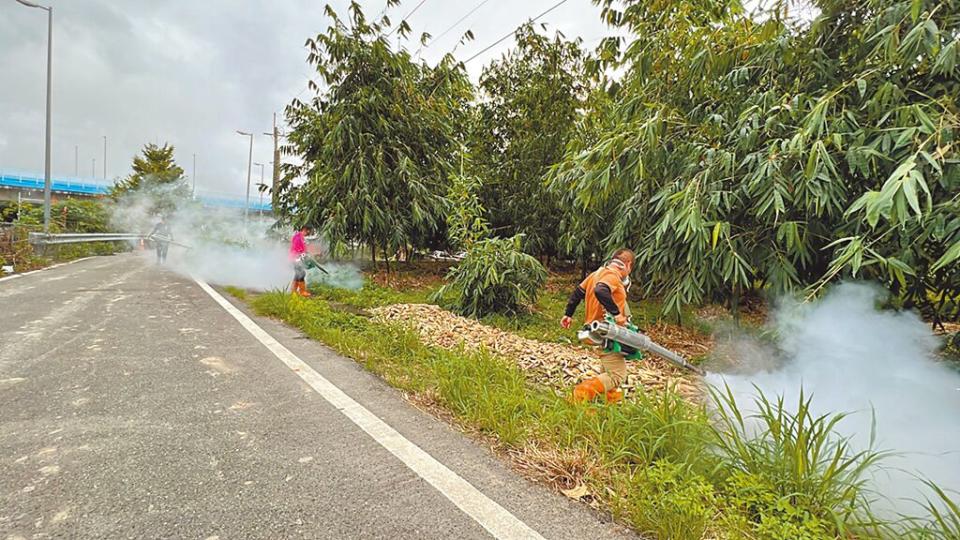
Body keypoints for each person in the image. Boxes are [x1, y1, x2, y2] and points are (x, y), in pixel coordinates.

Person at [560, 248, 636, 403]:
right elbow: (600, 290)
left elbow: (578, 293)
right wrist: (617, 315)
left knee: (608, 370)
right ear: (628, 265)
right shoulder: (612, 276)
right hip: (607, 332)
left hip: (596, 332)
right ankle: (581, 394)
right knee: (616, 375)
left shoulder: (596, 274)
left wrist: (568, 314)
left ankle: (606, 404)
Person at [289, 225, 312, 297]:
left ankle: (293, 291)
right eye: (308, 231)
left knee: (298, 274)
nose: (309, 233)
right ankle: (302, 292)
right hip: (295, 258)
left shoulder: (301, 237)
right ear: (304, 230)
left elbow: (302, 249)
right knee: (301, 273)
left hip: (297, 258)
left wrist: (306, 254)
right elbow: (296, 249)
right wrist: (302, 254)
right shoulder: (297, 237)